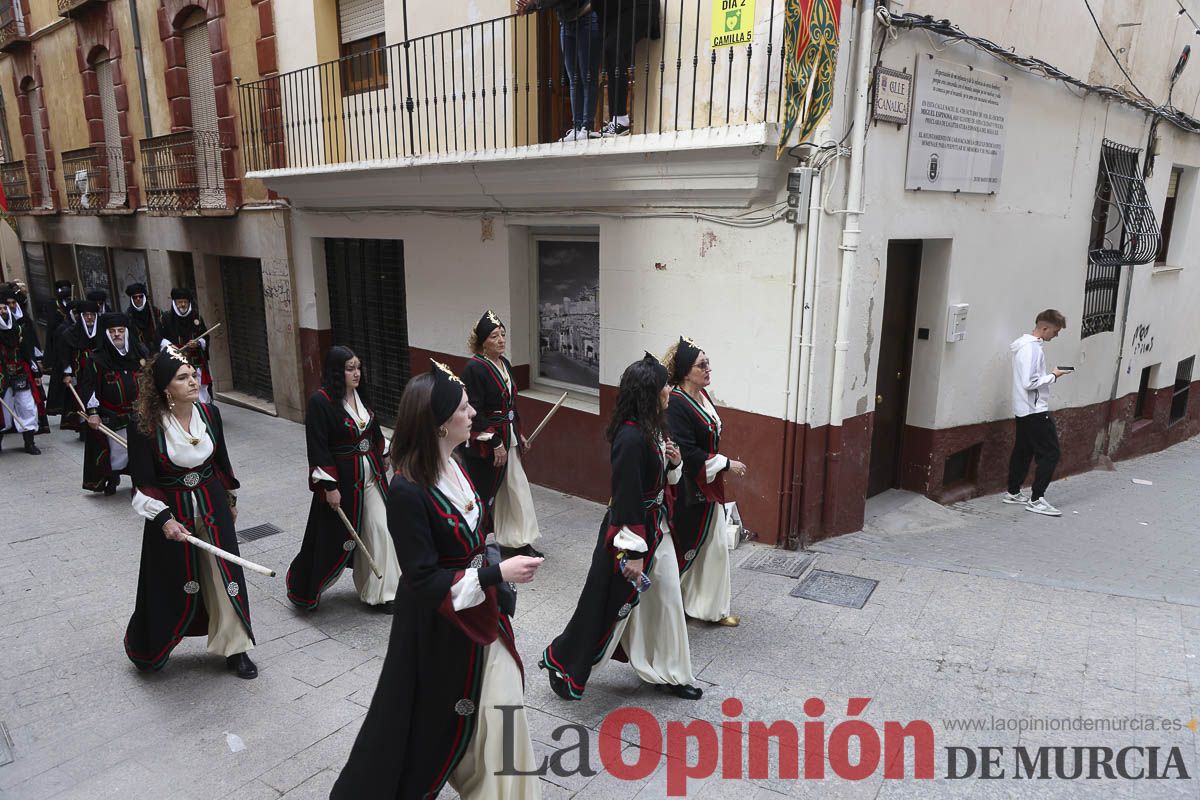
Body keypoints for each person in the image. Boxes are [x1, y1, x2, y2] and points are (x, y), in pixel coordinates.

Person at [332, 361, 544, 799]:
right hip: (438, 627)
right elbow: (424, 579)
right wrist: (496, 572)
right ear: (440, 423)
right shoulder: (407, 491)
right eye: (465, 409)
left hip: (483, 614)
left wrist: (492, 565)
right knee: (427, 726)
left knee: (504, 705)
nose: (473, 415)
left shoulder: (457, 461)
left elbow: (477, 531)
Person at [541, 353, 703, 701]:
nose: (668, 392)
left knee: (666, 601)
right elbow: (627, 497)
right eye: (663, 387)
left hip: (655, 532)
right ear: (649, 393)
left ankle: (670, 672)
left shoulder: (654, 427)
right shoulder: (630, 438)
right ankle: (563, 663)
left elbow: (661, 482)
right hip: (630, 537)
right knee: (602, 604)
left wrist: (674, 463)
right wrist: (632, 553)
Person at [123, 347, 257, 678]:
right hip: (173, 509)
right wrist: (164, 518)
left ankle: (236, 648)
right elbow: (143, 482)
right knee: (170, 578)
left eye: (193, 375)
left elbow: (221, 463)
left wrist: (230, 500)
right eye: (183, 378)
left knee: (225, 575)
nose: (193, 381)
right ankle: (152, 645)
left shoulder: (210, 414)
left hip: (212, 504)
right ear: (165, 387)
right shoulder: (143, 425)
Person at [286, 346, 400, 612]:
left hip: (371, 478)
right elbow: (318, 447)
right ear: (337, 371)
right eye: (350, 369)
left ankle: (383, 592)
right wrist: (329, 486)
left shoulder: (361, 395)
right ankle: (303, 585)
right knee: (329, 538)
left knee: (383, 529)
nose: (357, 373)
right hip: (344, 483)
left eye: (358, 367)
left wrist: (383, 450)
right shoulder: (321, 402)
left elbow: (372, 428)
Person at [663, 336, 746, 626]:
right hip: (689, 486)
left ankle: (709, 607)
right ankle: (678, 605)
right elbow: (686, 450)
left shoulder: (702, 396)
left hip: (707, 484)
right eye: (702, 365)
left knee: (713, 546)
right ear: (686, 371)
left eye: (708, 363)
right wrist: (725, 463)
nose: (708, 369)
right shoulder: (676, 402)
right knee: (692, 544)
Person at [461, 310, 543, 559]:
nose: (501, 340)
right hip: (489, 443)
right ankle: (473, 542)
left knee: (516, 489)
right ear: (483, 341)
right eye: (495, 336)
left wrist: (520, 434)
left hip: (510, 438)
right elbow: (473, 408)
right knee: (484, 492)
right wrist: (494, 441)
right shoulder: (475, 368)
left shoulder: (505, 364)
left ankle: (518, 541)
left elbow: (511, 407)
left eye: (503, 335)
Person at [1004, 309, 1070, 517]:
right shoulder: (1031, 349)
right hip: (1034, 410)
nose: (1056, 335)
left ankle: (1013, 492)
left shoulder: (1023, 346)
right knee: (1051, 453)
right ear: (1044, 328)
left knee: (1023, 450)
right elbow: (1029, 382)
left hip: (1023, 409)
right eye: (1056, 332)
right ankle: (1036, 499)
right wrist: (1053, 375)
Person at [77, 312, 145, 495]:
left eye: (120, 330)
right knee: (117, 452)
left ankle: (139, 484)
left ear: (126, 332)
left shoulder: (141, 354)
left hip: (140, 414)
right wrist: (92, 412)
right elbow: (89, 387)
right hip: (112, 415)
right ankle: (112, 477)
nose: (117, 334)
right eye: (113, 331)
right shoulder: (97, 359)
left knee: (141, 452)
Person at [517, 0, 601, 141]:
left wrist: (533, 4)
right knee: (573, 79)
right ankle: (577, 126)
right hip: (566, 24)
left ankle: (587, 126)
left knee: (588, 76)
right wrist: (527, 6)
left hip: (586, 19)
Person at [598, 0, 661, 137]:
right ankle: (616, 119)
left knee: (612, 49)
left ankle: (620, 118)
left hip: (638, 6)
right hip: (623, 10)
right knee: (613, 53)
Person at [0, 288, 48, 455]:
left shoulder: (19, 328)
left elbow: (27, 351)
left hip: (21, 373)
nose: (3, 311)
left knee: (27, 407)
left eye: (5, 308)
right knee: (2, 411)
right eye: (0, 308)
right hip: (1, 377)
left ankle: (29, 442)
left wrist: (35, 372)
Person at [158, 288, 214, 404]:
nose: (183, 305)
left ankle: (204, 412)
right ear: (174, 302)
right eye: (179, 302)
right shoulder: (166, 319)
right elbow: (159, 339)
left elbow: (205, 337)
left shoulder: (197, 317)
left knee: (200, 387)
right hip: (176, 363)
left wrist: (198, 343)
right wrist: (171, 347)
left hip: (196, 362)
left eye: (185, 302)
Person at [61, 299, 104, 434]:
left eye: (92, 314)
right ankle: (84, 428)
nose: (89, 317)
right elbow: (65, 355)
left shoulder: (104, 330)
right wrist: (67, 373)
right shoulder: (70, 333)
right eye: (86, 315)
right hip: (80, 372)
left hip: (100, 370)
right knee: (80, 398)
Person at [124, 282, 162, 351]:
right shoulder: (127, 317)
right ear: (132, 300)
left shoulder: (156, 312)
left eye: (140, 296)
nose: (138, 299)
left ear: (144, 297)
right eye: (135, 297)